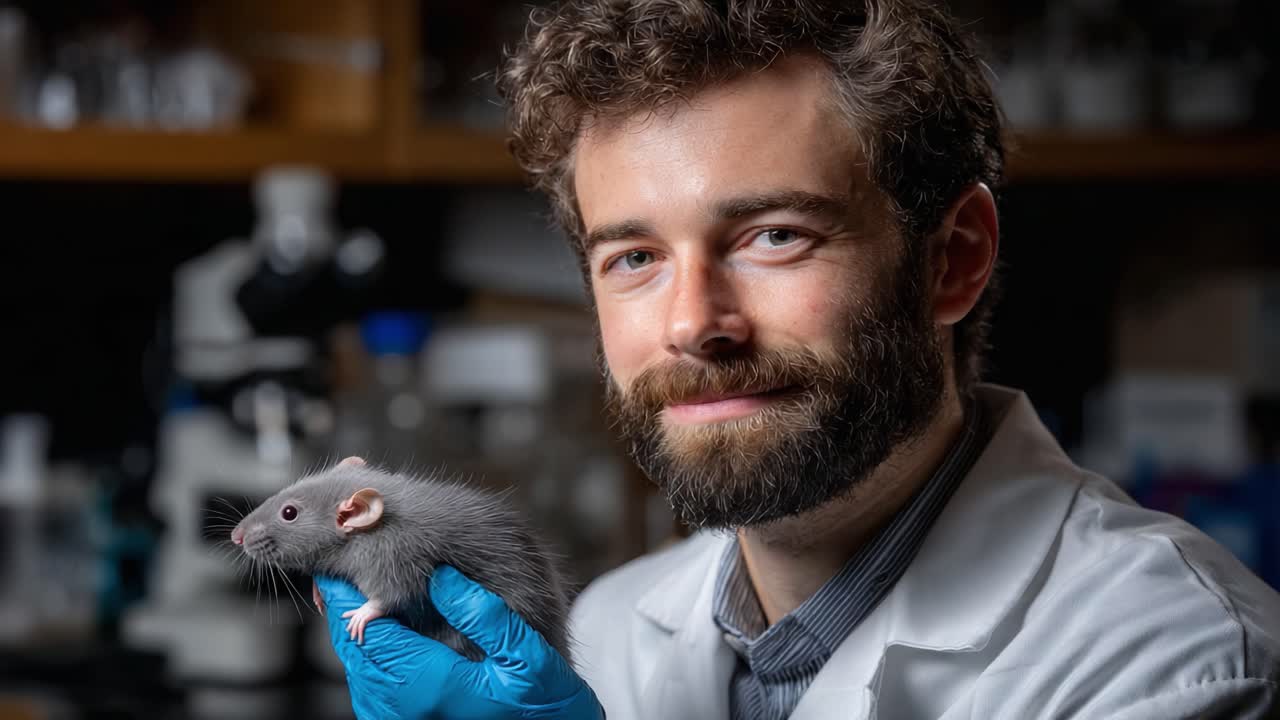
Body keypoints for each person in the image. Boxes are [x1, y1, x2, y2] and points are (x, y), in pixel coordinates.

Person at [314, 0, 1280, 717]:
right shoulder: (607, 629)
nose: (695, 323)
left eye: (774, 236)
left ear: (955, 261)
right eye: (636, 258)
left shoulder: (1172, 662)